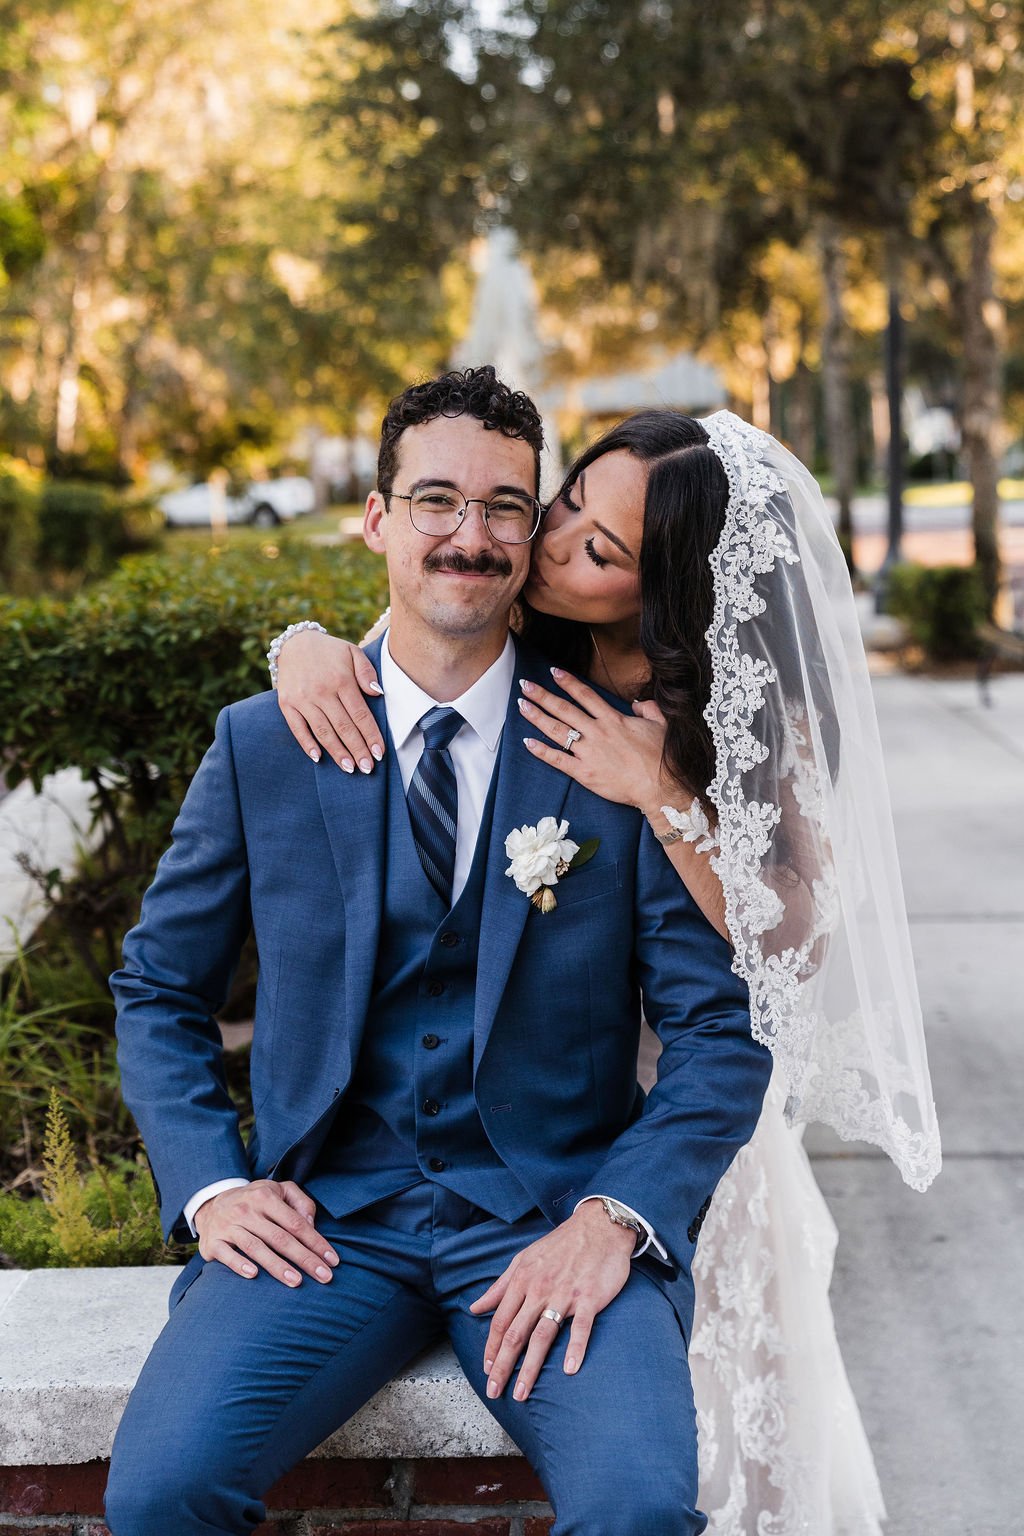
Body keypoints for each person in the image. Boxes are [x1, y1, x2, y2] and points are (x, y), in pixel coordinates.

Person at [104, 366, 775, 1536]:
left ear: (532, 532)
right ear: (375, 520)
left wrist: (615, 1216)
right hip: (326, 1225)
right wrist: (212, 1186)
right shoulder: (268, 742)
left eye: (507, 507)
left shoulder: (613, 757)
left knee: (635, 1506)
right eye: (435, 502)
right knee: (160, 1493)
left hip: (551, 1215)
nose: (470, 536)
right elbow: (160, 987)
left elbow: (722, 1032)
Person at [274, 401, 942, 1533]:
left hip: (678, 1131)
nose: (543, 544)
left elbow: (782, 961)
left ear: (661, 590)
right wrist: (298, 647)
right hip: (507, 1127)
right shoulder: (530, 648)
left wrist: (664, 799)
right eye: (568, 503)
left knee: (719, 1458)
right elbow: (403, 648)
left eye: (596, 550)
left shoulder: (738, 726)